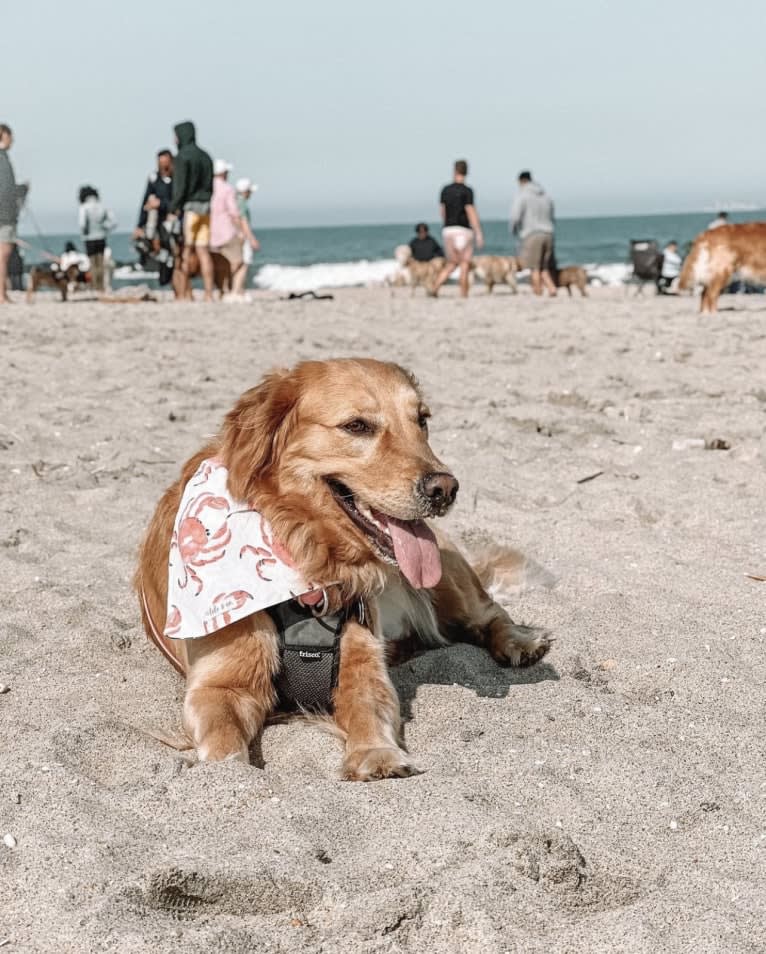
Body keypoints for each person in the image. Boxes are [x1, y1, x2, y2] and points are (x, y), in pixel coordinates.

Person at [167, 121, 214, 301]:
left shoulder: (182, 157)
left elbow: (180, 187)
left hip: (190, 209)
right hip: (206, 208)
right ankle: (209, 293)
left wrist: (174, 208)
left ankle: (187, 292)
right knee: (203, 251)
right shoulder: (206, 156)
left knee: (185, 250)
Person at [430, 159, 484, 298]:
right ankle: (463, 293)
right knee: (465, 263)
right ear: (467, 172)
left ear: (454, 170)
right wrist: (478, 232)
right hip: (464, 230)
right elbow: (470, 210)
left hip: (449, 229)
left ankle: (435, 287)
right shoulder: (467, 191)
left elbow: (442, 211)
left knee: (452, 262)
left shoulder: (445, 190)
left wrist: (447, 223)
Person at [133, 149, 181, 292]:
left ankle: (175, 284)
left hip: (172, 220)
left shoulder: (177, 179)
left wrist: (162, 204)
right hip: (156, 223)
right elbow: (145, 202)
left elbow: (177, 200)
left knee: (173, 254)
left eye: (165, 162)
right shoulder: (154, 178)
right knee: (159, 253)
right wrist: (139, 225)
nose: (163, 165)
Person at [511, 171, 556, 296]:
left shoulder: (523, 195)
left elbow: (515, 216)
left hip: (532, 234)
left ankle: (538, 293)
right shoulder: (545, 195)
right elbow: (552, 215)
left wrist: (514, 230)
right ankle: (552, 289)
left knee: (534, 268)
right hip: (548, 233)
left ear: (521, 181)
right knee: (544, 267)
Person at [210, 159, 247, 298]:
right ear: (224, 173)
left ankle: (222, 290)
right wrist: (241, 232)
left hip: (211, 233)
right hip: (227, 231)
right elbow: (233, 213)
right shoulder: (227, 189)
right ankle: (234, 291)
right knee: (238, 262)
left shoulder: (207, 188)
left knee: (218, 264)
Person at [78, 185, 115, 292]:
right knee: (101, 263)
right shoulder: (102, 206)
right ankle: (101, 286)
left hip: (89, 238)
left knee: (93, 263)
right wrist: (104, 228)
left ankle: (95, 286)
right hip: (101, 237)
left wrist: (85, 233)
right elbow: (113, 222)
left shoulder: (84, 207)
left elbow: (82, 224)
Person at [0, 123, 22, 303]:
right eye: (10, 136)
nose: (12, 140)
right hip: (4, 216)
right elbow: (5, 191)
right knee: (3, 255)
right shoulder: (2, 159)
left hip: (6, 214)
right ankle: (1, 294)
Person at [234, 177, 260, 296]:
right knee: (244, 264)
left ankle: (235, 290)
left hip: (233, 236)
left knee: (236, 264)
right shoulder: (242, 203)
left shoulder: (233, 201)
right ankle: (239, 291)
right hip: (242, 237)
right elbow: (244, 222)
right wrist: (252, 239)